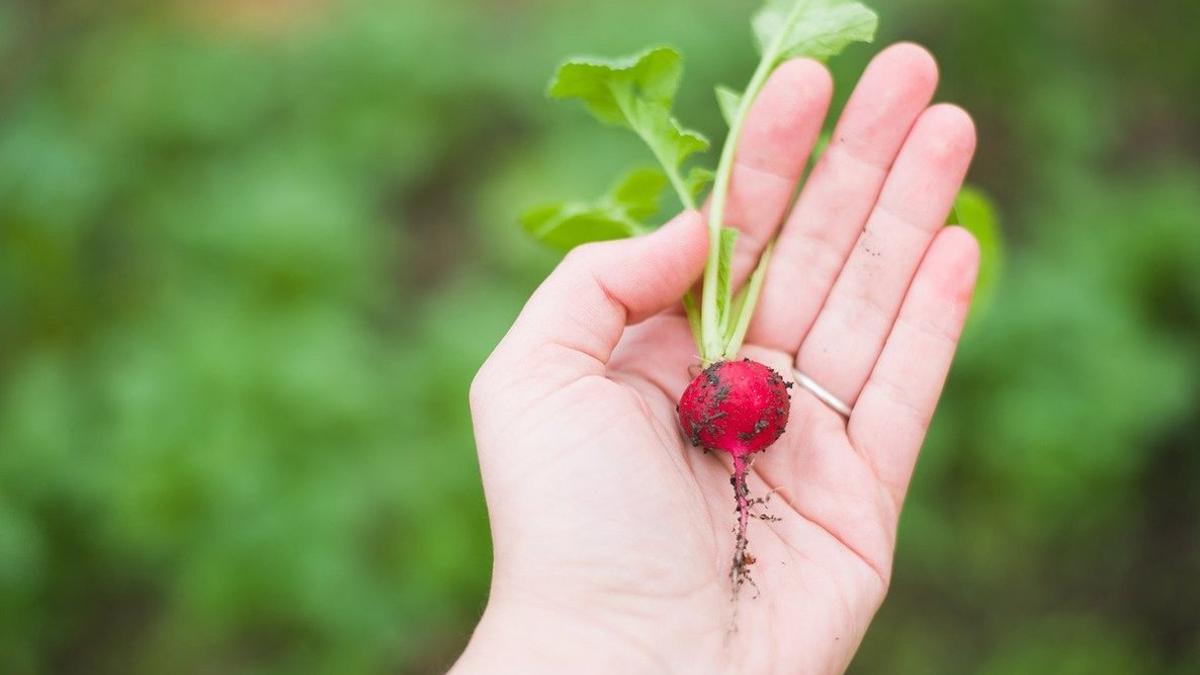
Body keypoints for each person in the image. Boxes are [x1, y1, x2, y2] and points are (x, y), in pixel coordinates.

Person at [453, 42, 978, 674]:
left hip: (732, 395)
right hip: (730, 396)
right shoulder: (728, 405)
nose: (739, 467)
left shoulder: (733, 403)